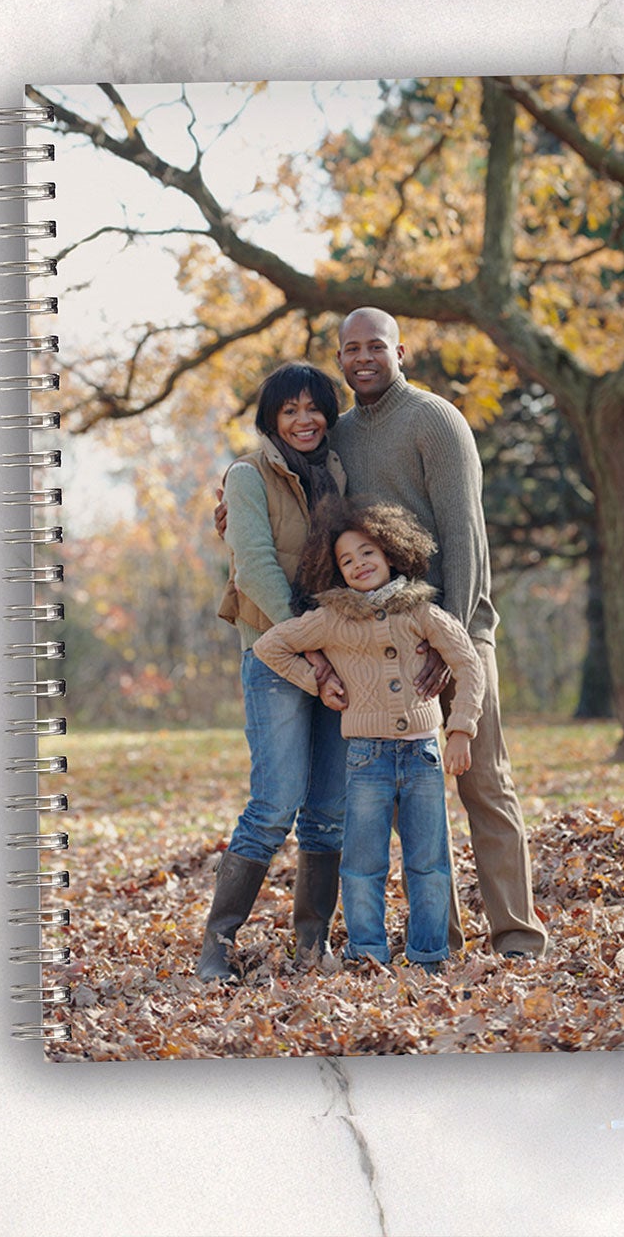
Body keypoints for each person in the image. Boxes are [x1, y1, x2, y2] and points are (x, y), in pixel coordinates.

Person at [328, 307, 548, 959]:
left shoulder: (436, 420)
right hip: (389, 646)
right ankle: (440, 939)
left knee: (482, 780)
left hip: (458, 632)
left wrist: (453, 643)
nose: (363, 358)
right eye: (351, 349)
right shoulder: (340, 436)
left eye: (376, 346)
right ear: (340, 358)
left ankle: (516, 938)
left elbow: (464, 536)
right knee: (419, 799)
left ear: (401, 351)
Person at [253, 500, 485, 972]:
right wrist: (317, 679)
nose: (359, 564)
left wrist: (460, 728)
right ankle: (368, 953)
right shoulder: (332, 618)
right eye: (347, 560)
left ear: (392, 554)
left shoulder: (422, 611)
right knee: (362, 866)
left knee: (430, 863)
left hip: (422, 754)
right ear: (334, 570)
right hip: (365, 757)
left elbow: (468, 663)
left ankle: (428, 956)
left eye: (368, 553)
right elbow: (269, 645)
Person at [198, 362, 349, 981]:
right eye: (289, 410)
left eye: (314, 408)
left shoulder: (338, 473)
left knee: (329, 810)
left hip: (342, 657)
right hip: (277, 657)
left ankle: (312, 945)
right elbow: (255, 567)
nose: (303, 419)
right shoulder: (246, 475)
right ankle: (217, 947)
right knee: (273, 805)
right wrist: (309, 648)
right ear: (270, 419)